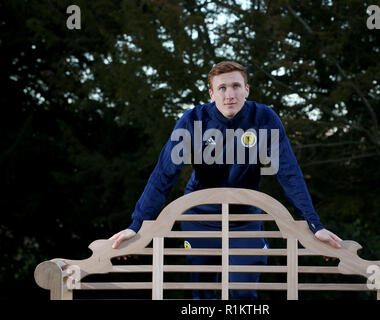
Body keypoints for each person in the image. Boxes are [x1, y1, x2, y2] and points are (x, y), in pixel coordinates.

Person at [109, 61, 342, 299]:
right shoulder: (192, 121)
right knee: (203, 295)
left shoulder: (264, 119)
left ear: (247, 89)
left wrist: (315, 225)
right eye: (222, 88)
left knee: (243, 295)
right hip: (200, 216)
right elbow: (163, 175)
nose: (229, 95)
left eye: (236, 86)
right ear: (211, 93)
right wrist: (136, 225)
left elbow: (289, 172)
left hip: (245, 217)